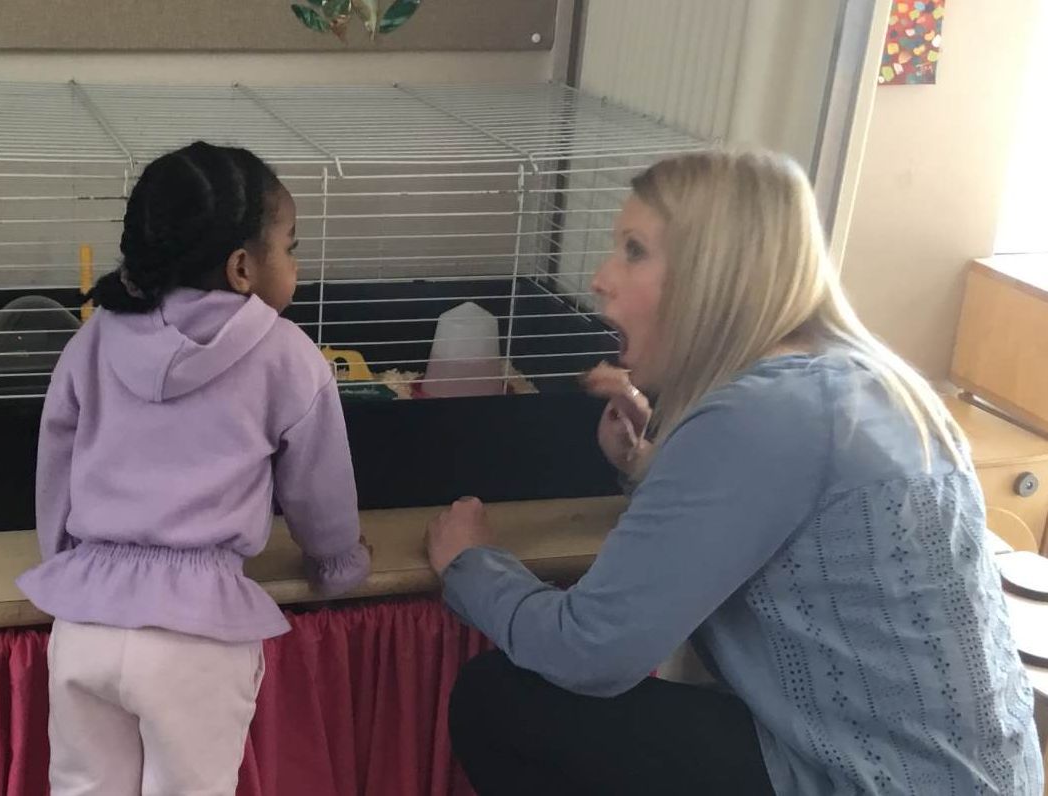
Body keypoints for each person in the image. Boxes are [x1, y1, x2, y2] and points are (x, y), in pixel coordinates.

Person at [425, 150, 1043, 795]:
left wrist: (473, 563)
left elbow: (591, 653)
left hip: (863, 781)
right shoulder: (865, 379)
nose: (602, 278)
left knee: (500, 702)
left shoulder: (762, 412)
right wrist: (648, 467)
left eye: (634, 251)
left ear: (712, 274)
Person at [17, 141, 371, 795]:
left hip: (86, 625)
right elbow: (319, 487)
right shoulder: (287, 354)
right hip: (196, 638)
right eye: (289, 246)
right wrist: (337, 564)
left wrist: (68, 561)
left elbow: (56, 462)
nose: (295, 262)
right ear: (242, 267)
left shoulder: (91, 338)